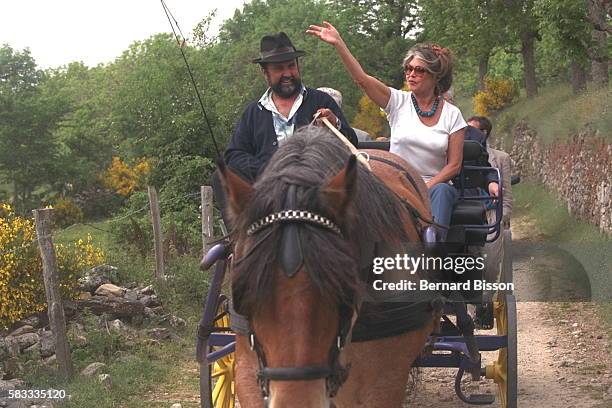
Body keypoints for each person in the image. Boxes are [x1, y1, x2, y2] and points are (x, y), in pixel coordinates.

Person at [307, 22, 494, 239]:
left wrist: (425, 186)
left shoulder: (452, 115)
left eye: (419, 70)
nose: (411, 74)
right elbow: (362, 80)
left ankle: (433, 252)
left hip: (435, 186)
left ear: (435, 76)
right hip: (395, 182)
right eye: (408, 68)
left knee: (443, 192)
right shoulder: (397, 102)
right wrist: (339, 43)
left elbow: (453, 166)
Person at [224, 32, 357, 182]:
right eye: (279, 68)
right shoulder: (253, 113)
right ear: (265, 73)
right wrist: (268, 171)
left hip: (316, 192)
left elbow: (352, 144)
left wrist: (336, 125)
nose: (287, 73)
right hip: (270, 194)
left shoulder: (321, 100)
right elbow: (234, 155)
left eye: (291, 66)